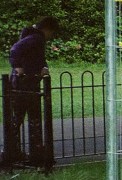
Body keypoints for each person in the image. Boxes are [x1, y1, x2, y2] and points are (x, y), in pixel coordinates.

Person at [2, 16, 58, 168]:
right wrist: (18, 66)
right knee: (24, 118)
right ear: (47, 29)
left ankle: (17, 151)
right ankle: (21, 152)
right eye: (52, 33)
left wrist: (43, 66)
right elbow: (14, 50)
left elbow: (37, 58)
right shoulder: (36, 38)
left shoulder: (34, 38)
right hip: (24, 83)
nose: (51, 36)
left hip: (26, 83)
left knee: (23, 119)